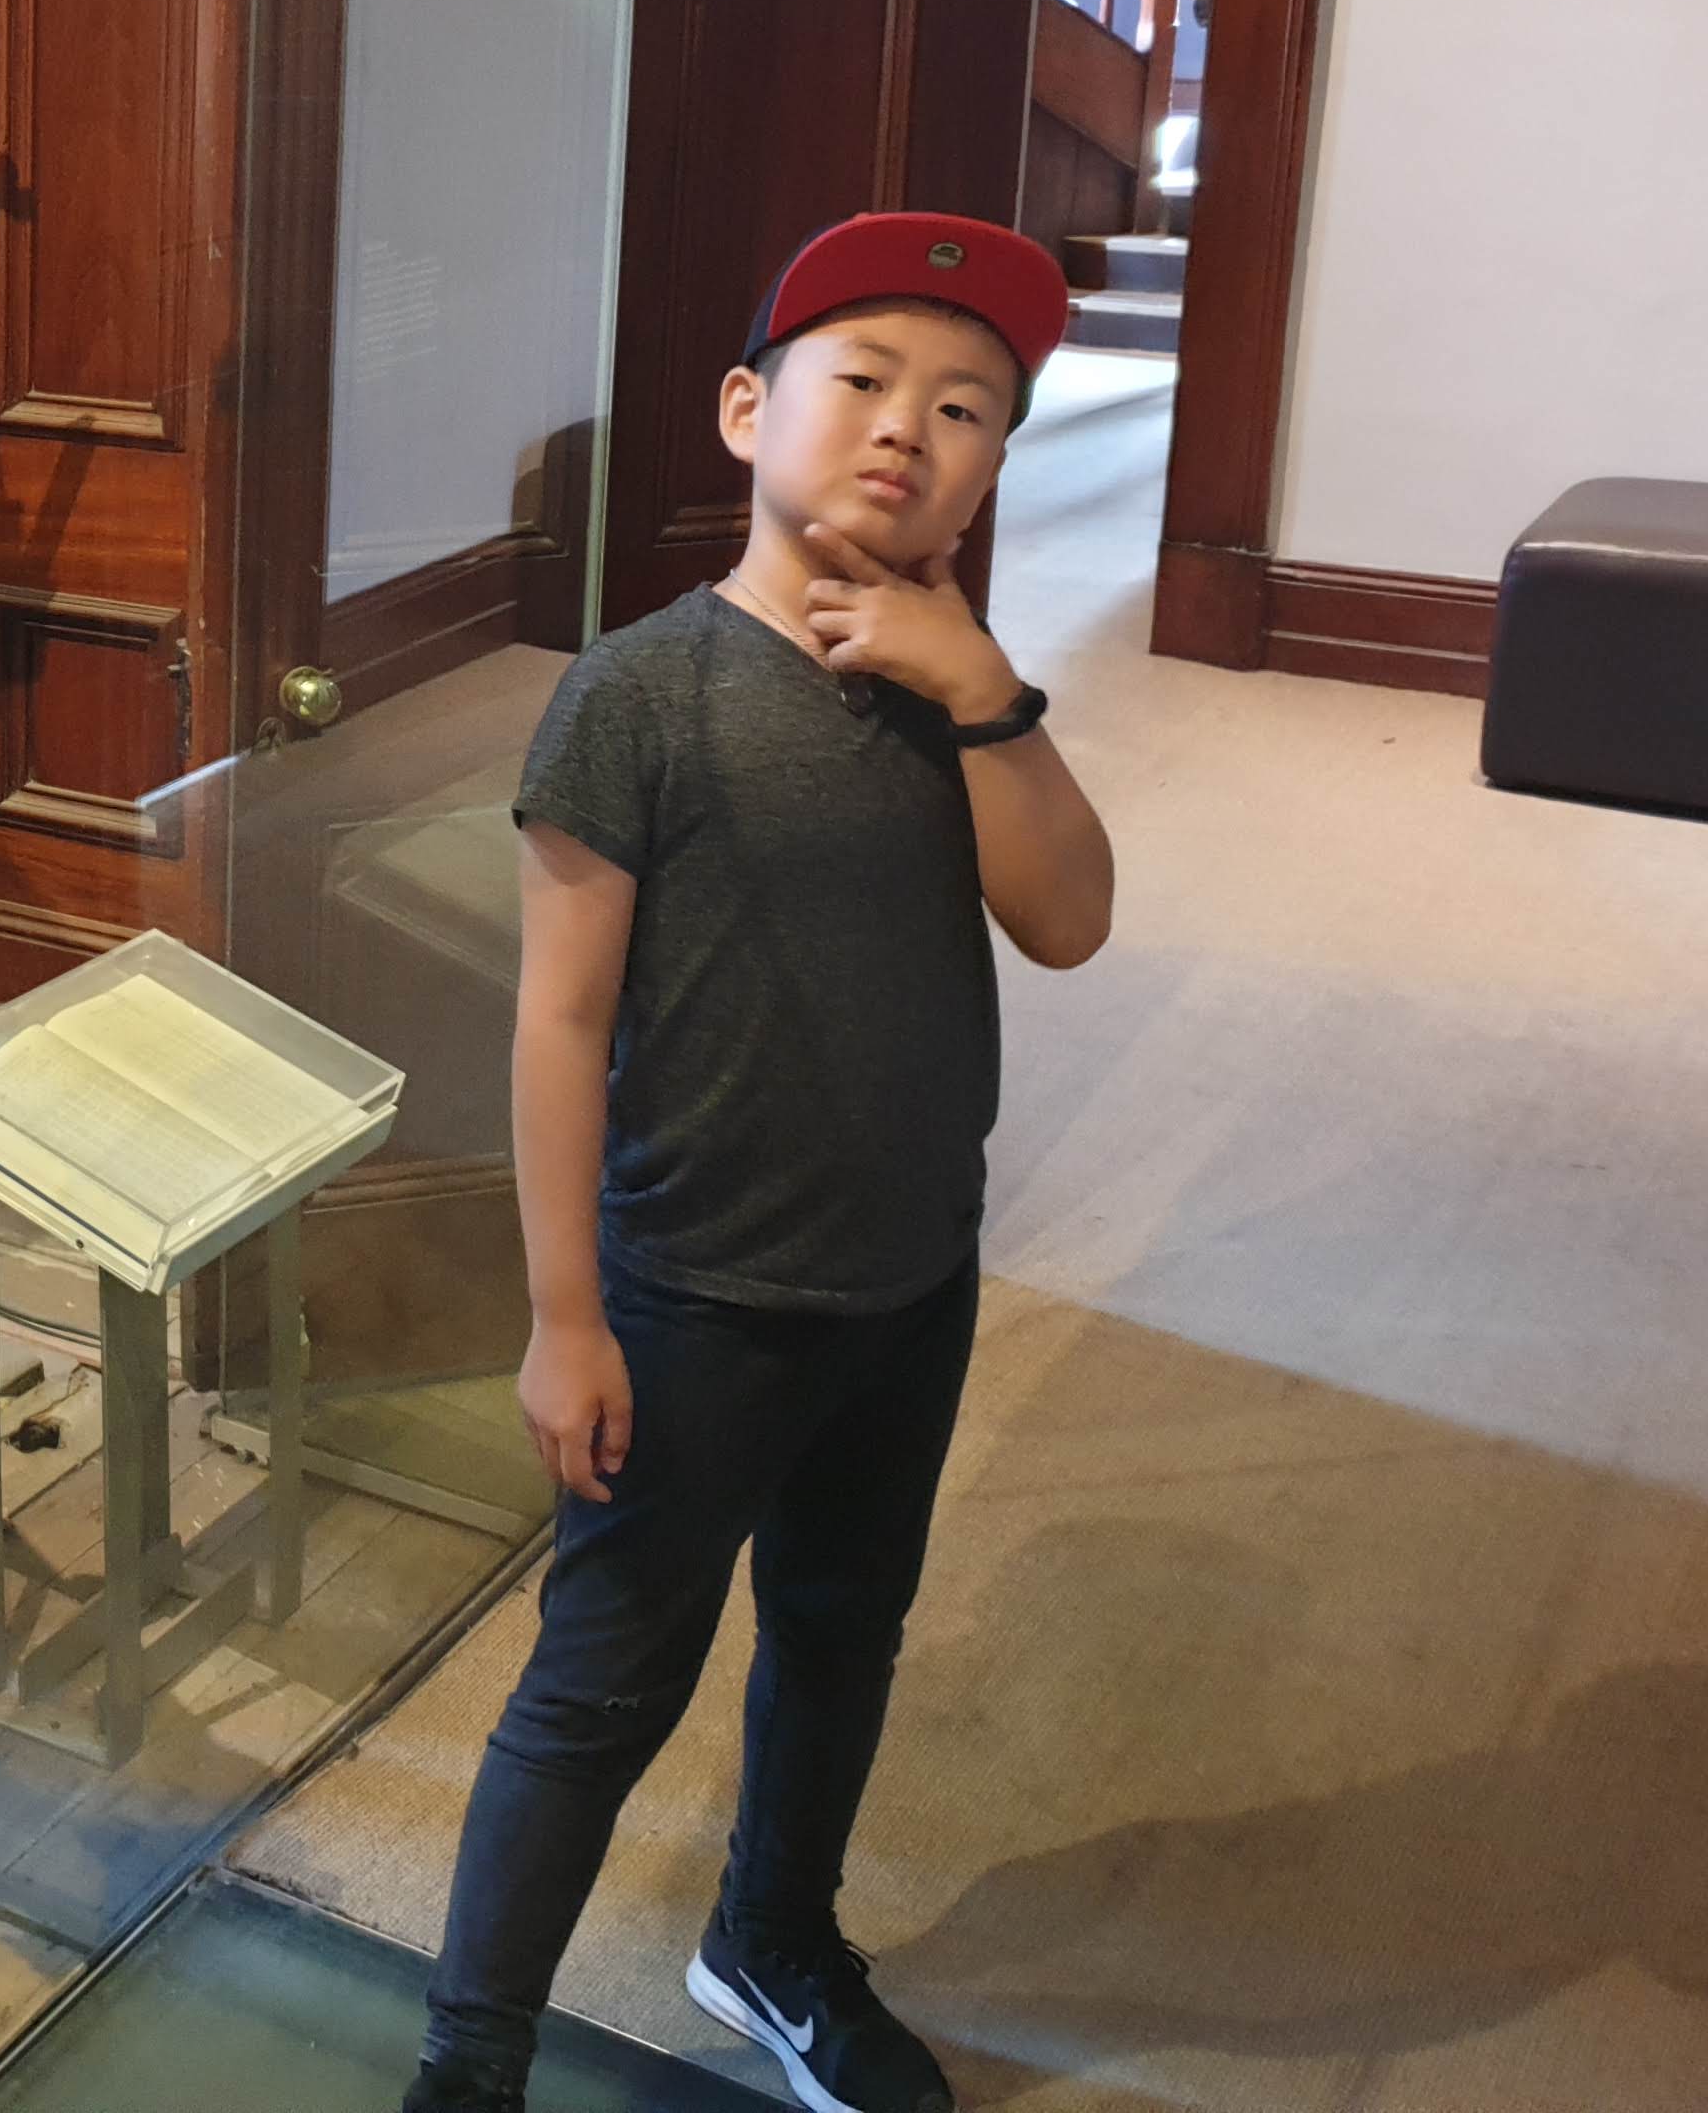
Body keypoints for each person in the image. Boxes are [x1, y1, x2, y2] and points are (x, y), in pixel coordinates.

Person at [402, 213, 1116, 2113]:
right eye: (863, 379)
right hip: (696, 1296)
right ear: (747, 411)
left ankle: (774, 1939)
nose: (908, 429)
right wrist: (564, 1316)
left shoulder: (957, 695)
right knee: (603, 1680)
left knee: (841, 1629)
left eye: (966, 408)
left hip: (912, 1279)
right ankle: (471, 2055)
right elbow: (559, 1023)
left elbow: (1072, 922)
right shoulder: (639, 692)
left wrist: (982, 689)